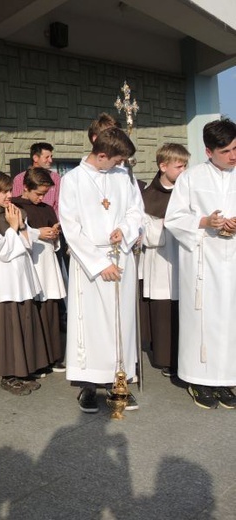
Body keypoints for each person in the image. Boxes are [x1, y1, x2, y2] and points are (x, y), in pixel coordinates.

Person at [59, 127, 144, 413]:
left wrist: (125, 229)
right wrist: (99, 263)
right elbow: (71, 227)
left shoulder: (123, 176)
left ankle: (119, 380)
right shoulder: (72, 180)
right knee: (92, 326)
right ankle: (88, 386)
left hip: (121, 258)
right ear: (102, 154)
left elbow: (136, 210)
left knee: (121, 323)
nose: (120, 165)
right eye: (117, 160)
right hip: (90, 264)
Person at [165, 119, 236, 409]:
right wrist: (205, 222)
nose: (233, 155)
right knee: (203, 320)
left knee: (230, 320)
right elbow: (174, 219)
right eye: (227, 151)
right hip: (202, 260)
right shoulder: (191, 178)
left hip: (232, 261)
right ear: (209, 151)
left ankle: (227, 377)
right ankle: (199, 379)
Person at [0, 171, 47, 396]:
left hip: (21, 278)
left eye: (9, 190)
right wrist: (13, 227)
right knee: (6, 328)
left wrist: (21, 226)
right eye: (3, 191)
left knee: (23, 322)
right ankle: (8, 375)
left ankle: (22, 370)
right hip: (3, 281)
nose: (8, 195)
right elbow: (2, 252)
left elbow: (27, 245)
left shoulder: (15, 212)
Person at [141, 144, 189, 378]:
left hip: (185, 258)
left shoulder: (187, 190)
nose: (184, 170)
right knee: (165, 309)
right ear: (163, 166)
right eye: (179, 166)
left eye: (185, 165)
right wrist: (172, 223)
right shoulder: (149, 195)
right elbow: (148, 235)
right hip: (162, 260)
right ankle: (167, 358)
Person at [12, 167, 67, 372]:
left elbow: (53, 233)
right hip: (30, 262)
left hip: (47, 263)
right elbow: (14, 233)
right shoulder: (15, 206)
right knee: (33, 311)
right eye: (38, 193)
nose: (41, 198)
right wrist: (37, 233)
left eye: (44, 194)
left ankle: (53, 356)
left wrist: (54, 234)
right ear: (25, 187)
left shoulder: (46, 208)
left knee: (51, 309)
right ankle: (37, 361)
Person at [12, 143, 62, 216]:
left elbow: (58, 205)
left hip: (50, 222)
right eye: (47, 157)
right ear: (35, 158)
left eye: (51, 157)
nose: (50, 160)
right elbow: (16, 203)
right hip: (28, 221)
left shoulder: (56, 178)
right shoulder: (20, 178)